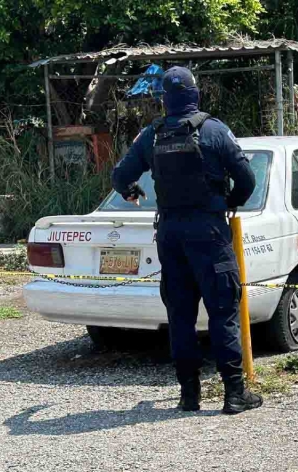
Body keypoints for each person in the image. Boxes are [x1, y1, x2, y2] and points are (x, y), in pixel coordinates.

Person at [111, 66, 262, 415]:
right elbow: (247, 181)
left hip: (170, 234)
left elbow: (120, 176)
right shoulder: (214, 129)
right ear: (195, 94)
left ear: (165, 99)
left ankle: (189, 396)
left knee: (180, 315)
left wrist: (131, 189)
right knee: (223, 311)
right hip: (209, 230)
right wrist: (228, 203)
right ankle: (235, 395)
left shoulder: (151, 135)